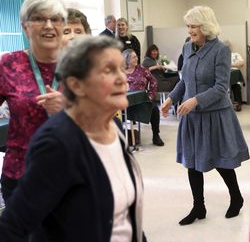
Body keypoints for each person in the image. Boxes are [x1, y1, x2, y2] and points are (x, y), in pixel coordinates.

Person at [0, 36, 146, 241]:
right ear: (76, 85)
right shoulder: (58, 143)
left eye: (122, 69)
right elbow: (12, 227)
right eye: (108, 70)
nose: (123, 78)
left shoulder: (114, 128)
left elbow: (125, 218)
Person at [161, 6, 249, 226]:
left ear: (206, 26)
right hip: (191, 117)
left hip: (215, 115)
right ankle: (198, 207)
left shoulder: (220, 50)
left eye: (194, 26)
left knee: (221, 161)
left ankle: (236, 197)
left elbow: (221, 88)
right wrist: (171, 99)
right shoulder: (186, 47)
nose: (190, 30)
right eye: (188, 26)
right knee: (192, 162)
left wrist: (195, 100)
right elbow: (184, 81)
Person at [0, 0, 67, 203]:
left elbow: (107, 119)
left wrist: (69, 109)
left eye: (55, 19)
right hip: (21, 175)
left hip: (71, 173)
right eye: (39, 18)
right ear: (25, 26)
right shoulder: (9, 64)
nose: (48, 25)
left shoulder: (81, 64)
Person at [122, 48, 165, 146]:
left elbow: (154, 81)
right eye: (133, 57)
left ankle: (156, 135)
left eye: (136, 56)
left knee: (154, 109)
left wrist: (151, 95)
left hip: (141, 100)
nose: (136, 59)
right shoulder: (120, 71)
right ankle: (122, 136)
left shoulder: (141, 69)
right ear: (126, 59)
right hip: (124, 101)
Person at [224, 40, 244, 112]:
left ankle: (238, 104)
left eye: (228, 46)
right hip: (224, 76)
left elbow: (241, 63)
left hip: (235, 75)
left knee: (236, 86)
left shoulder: (235, 55)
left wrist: (231, 65)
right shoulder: (221, 55)